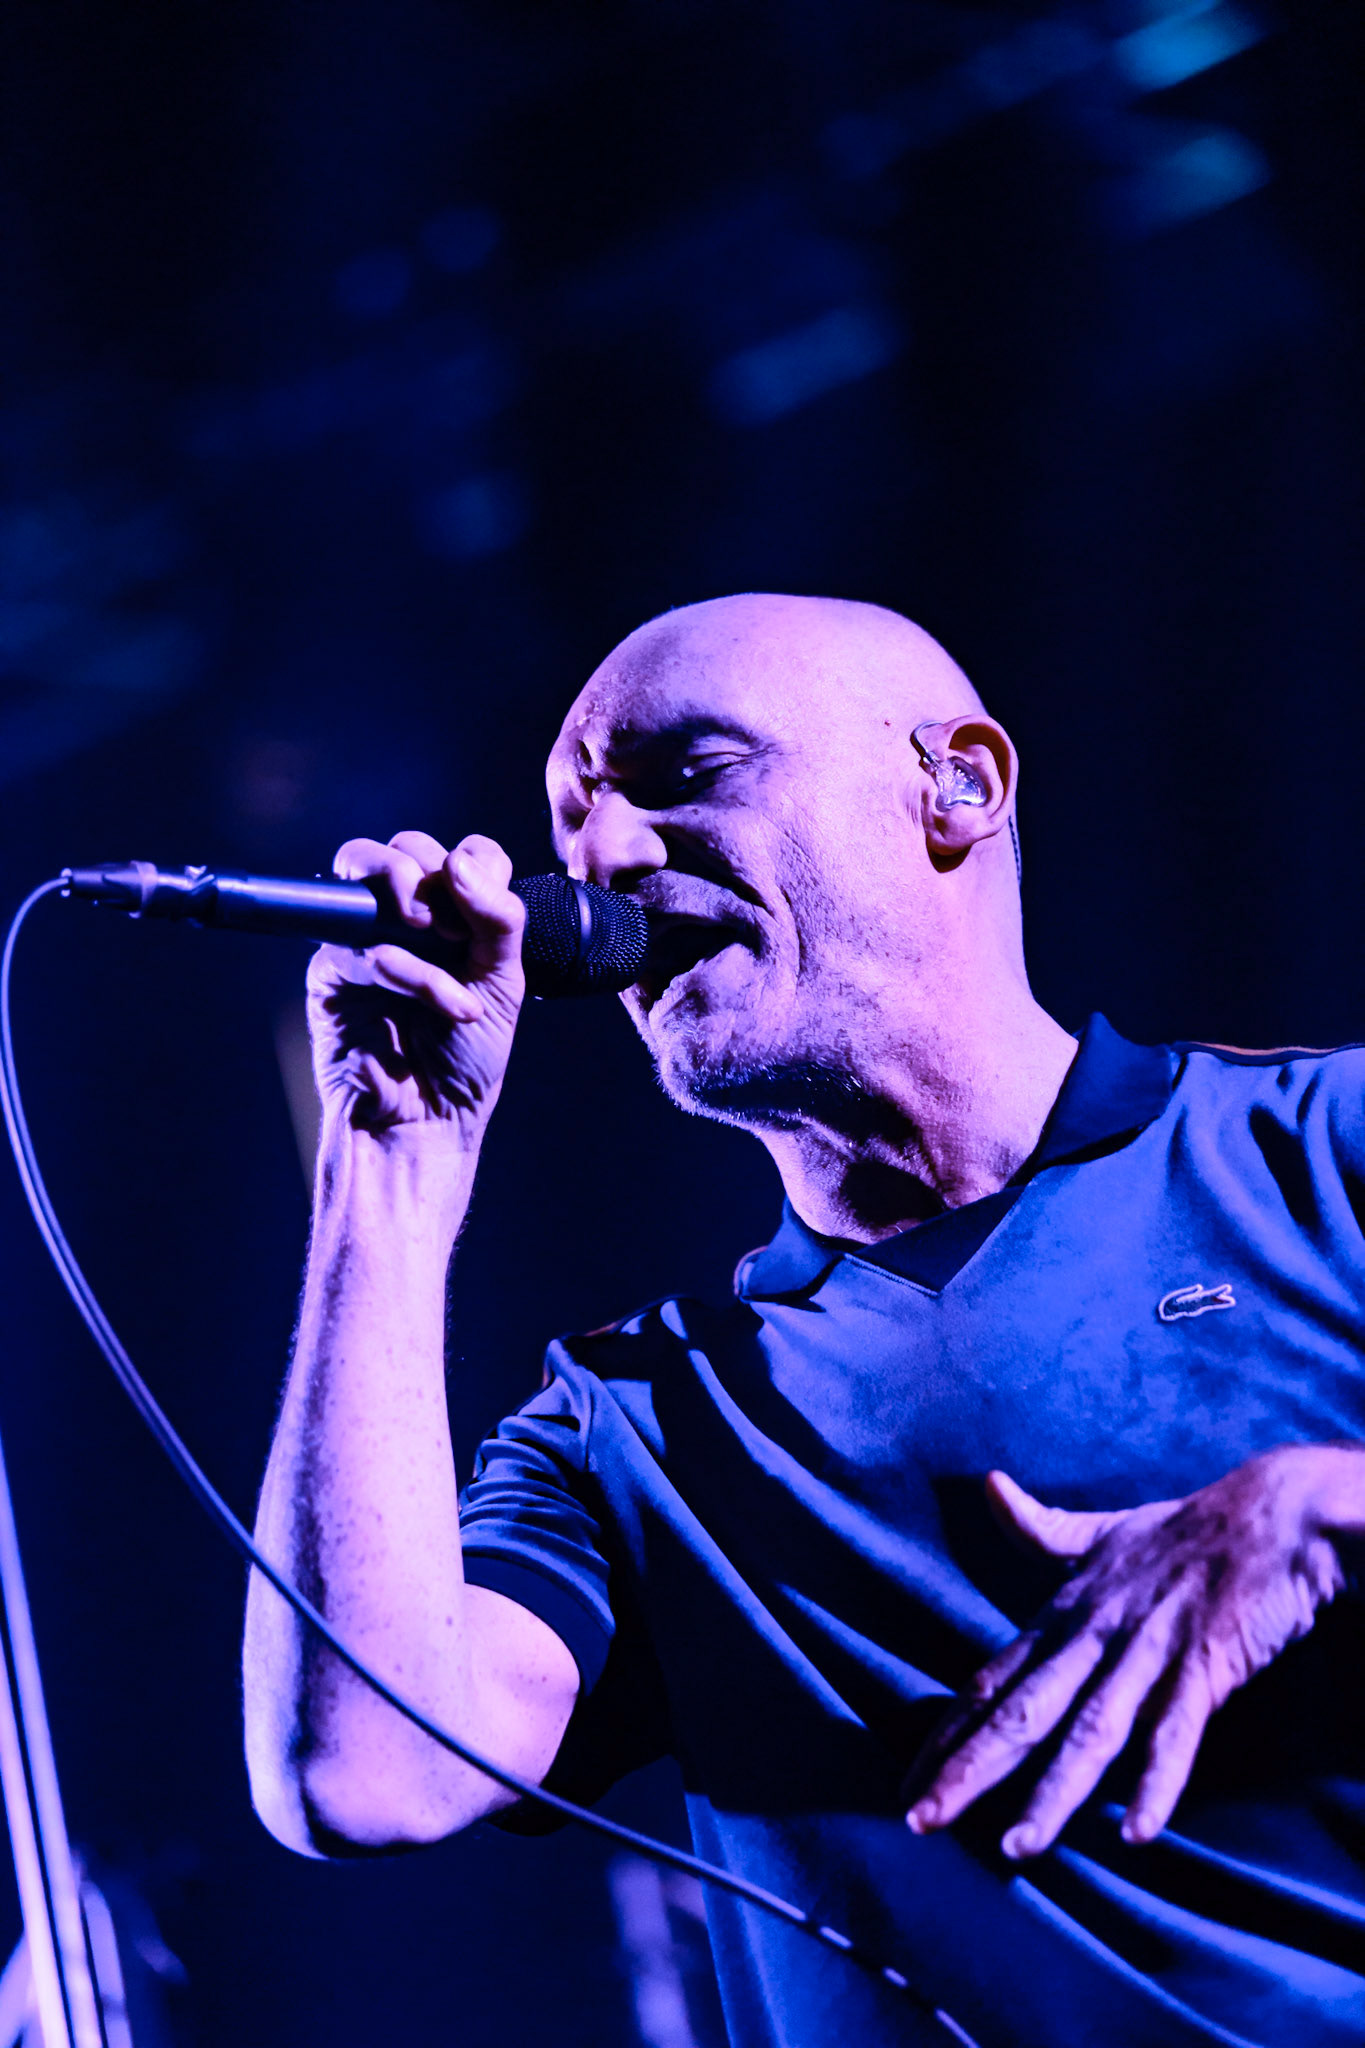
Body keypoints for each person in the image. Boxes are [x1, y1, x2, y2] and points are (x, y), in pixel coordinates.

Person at [242, 594, 1365, 2048]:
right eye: (578, 818)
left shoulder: (1316, 1151)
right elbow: (366, 1772)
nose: (602, 857)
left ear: (955, 786)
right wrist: (390, 1165)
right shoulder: (634, 1422)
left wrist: (1318, 1507)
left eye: (687, 775)